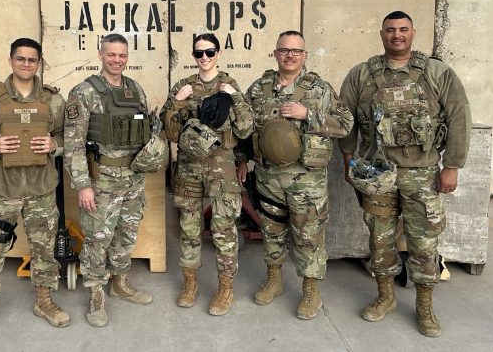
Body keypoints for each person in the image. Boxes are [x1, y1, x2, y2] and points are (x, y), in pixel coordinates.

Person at [339, 11, 471, 337]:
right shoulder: (362, 74)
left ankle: (424, 307)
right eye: (390, 30)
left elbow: (459, 116)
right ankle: (385, 297)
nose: (396, 35)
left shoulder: (437, 72)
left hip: (423, 172)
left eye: (403, 30)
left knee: (424, 242)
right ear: (381, 33)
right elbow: (345, 118)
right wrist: (348, 160)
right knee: (380, 238)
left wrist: (452, 166)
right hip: (376, 172)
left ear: (413, 32)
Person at [242, 31, 353, 319]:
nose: (290, 55)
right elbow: (243, 129)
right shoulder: (259, 88)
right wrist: (242, 160)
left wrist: (309, 115)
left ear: (304, 56)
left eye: (296, 51)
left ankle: (310, 289)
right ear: (275, 54)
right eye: (284, 50)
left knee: (308, 235)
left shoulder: (320, 89)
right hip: (268, 177)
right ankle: (274, 279)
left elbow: (345, 124)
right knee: (272, 230)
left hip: (306, 180)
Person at [0, 38, 70, 338]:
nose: (26, 64)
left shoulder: (54, 100)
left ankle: (44, 301)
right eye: (20, 59)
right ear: (10, 60)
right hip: (3, 189)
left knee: (44, 249)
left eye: (32, 60)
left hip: (41, 188)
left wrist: (54, 144)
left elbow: (67, 135)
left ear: (39, 63)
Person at [159, 33, 254, 316]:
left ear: (218, 53)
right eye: (199, 53)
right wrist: (177, 102)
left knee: (223, 231)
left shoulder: (230, 85)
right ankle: (190, 283)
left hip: (221, 166)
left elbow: (247, 129)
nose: (204, 58)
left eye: (209, 52)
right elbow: (170, 133)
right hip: (189, 166)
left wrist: (234, 98)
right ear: (193, 56)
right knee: (189, 228)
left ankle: (225, 287)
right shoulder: (183, 86)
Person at [64, 33, 153, 327]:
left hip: (133, 179)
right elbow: (73, 143)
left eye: (123, 55)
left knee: (127, 235)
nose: (117, 60)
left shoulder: (135, 89)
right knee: (97, 239)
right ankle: (96, 293)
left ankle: (120, 282)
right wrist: (82, 185)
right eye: (112, 54)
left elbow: (144, 131)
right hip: (101, 181)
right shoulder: (84, 92)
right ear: (100, 54)